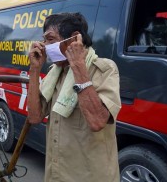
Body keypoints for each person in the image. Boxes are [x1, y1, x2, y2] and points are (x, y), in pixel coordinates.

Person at [27, 12, 121, 182]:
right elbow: (34, 117)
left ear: (74, 39)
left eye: (50, 39)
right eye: (44, 40)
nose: (45, 46)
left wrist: (78, 66)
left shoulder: (104, 69)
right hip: (56, 175)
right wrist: (34, 70)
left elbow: (97, 121)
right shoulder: (54, 73)